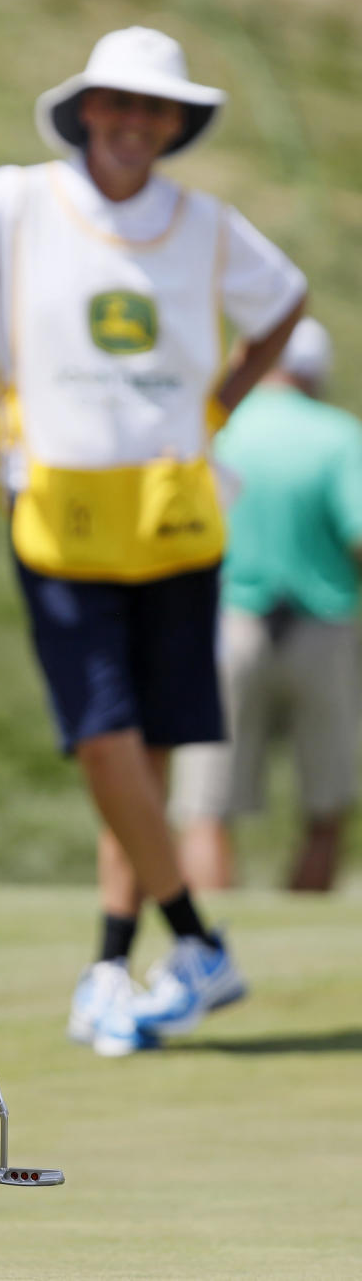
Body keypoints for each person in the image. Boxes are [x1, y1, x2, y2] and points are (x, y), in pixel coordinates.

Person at [0, 26, 306, 1057]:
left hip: (174, 512)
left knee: (142, 753)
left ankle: (107, 969)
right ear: (86, 109)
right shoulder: (17, 201)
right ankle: (196, 941)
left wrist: (216, 404)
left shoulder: (207, 225)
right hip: (56, 507)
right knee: (103, 737)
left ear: (175, 124)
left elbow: (284, 303)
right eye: (116, 103)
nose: (133, 123)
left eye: (154, 108)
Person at [173, 318, 362, 893]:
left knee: (207, 806)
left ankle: (204, 947)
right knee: (325, 806)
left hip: (227, 625)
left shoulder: (219, 430)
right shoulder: (339, 435)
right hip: (323, 628)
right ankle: (302, 935)